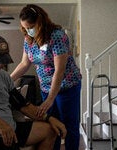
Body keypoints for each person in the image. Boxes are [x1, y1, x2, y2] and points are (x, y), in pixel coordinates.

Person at [10, 4, 82, 150]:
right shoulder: (28, 39)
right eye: (25, 27)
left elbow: (59, 71)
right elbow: (24, 64)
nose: (28, 30)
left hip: (67, 86)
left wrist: (50, 100)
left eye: (31, 26)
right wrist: (7, 80)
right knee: (51, 124)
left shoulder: (57, 36)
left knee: (69, 125)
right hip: (46, 87)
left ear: (40, 21)